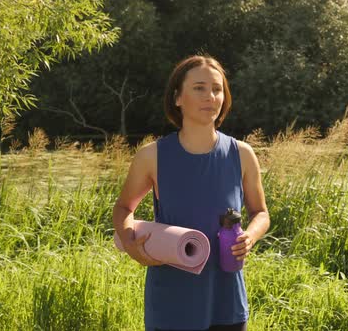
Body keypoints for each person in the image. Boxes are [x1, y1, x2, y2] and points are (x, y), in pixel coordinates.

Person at [112, 55, 270, 331]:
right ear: (177, 98)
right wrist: (130, 242)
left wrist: (250, 236)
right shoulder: (152, 156)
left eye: (217, 89)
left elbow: (261, 213)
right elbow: (124, 208)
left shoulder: (242, 154)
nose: (210, 96)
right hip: (171, 303)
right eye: (199, 88)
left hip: (227, 300)